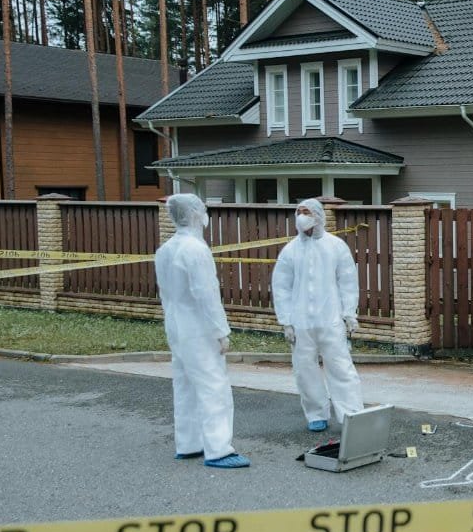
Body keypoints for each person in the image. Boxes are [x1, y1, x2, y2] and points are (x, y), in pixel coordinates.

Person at [154, 194, 250, 469]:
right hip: (198, 328)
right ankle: (219, 449)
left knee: (184, 385)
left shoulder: (165, 249)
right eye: (203, 210)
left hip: (176, 325)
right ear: (195, 214)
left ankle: (188, 443)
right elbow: (206, 294)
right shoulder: (195, 250)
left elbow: (167, 293)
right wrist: (221, 330)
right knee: (213, 387)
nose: (205, 213)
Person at [272, 198, 364, 432]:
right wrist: (286, 321)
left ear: (319, 215)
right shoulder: (290, 251)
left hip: (330, 320)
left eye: (307, 212)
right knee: (305, 370)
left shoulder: (335, 246)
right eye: (299, 212)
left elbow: (348, 282)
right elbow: (281, 287)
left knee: (341, 367)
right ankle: (316, 414)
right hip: (301, 323)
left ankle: (350, 414)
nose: (302, 216)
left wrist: (349, 313)